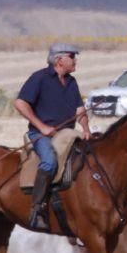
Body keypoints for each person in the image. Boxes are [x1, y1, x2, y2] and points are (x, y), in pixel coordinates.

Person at [15, 43, 92, 230]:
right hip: (41, 134)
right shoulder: (39, 78)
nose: (75, 60)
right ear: (59, 60)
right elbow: (20, 103)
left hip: (67, 134)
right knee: (49, 161)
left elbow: (80, 109)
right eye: (72, 57)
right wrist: (42, 127)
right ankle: (37, 209)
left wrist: (86, 128)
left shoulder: (72, 82)